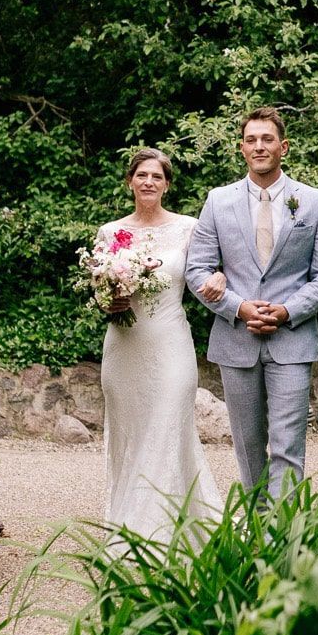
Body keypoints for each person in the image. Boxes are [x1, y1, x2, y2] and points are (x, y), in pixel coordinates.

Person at [186, 107, 318, 499]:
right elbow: (197, 269)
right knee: (248, 447)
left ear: (283, 146)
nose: (259, 146)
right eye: (252, 140)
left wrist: (288, 310)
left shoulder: (313, 201)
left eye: (267, 139)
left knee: (288, 444)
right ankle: (257, 536)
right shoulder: (218, 201)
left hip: (292, 339)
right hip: (236, 339)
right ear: (242, 148)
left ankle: (284, 535)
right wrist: (238, 306)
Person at [94, 146, 224, 546]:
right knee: (132, 435)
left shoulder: (189, 227)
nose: (149, 182)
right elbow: (100, 295)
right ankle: (131, 527)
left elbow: (217, 265)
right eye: (142, 175)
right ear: (130, 181)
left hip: (170, 343)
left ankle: (161, 535)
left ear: (167, 184)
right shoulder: (109, 232)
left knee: (168, 428)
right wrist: (106, 301)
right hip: (123, 347)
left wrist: (219, 276)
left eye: (157, 176)